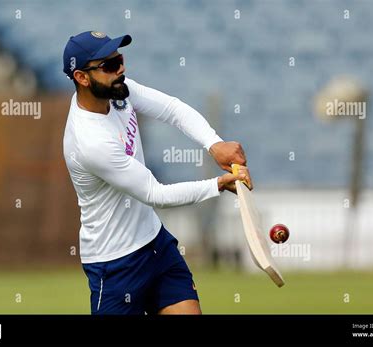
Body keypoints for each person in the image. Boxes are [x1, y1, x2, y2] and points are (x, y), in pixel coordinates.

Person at [62, 31, 252, 314]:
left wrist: (214, 144)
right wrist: (218, 185)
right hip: (114, 265)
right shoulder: (90, 142)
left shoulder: (119, 92)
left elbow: (172, 109)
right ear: (82, 77)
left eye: (121, 59)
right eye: (110, 65)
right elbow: (156, 193)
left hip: (155, 245)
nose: (121, 69)